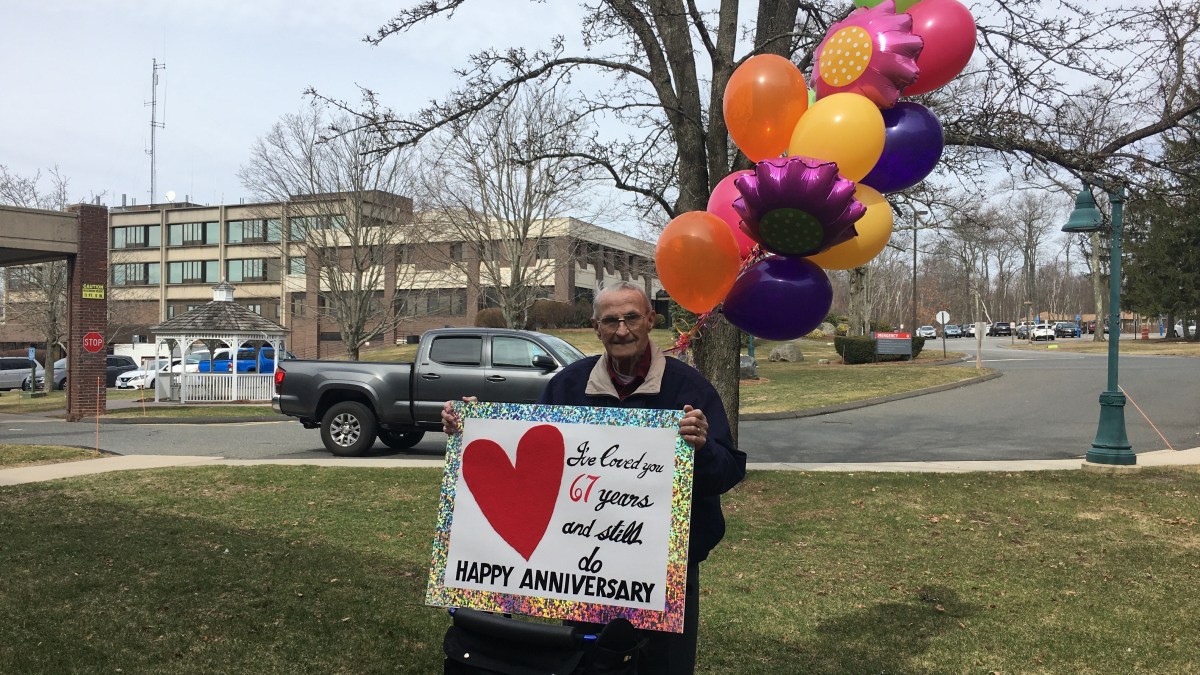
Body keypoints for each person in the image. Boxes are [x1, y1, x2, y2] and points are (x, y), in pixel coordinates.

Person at [442, 280, 746, 674]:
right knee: (588, 664)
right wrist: (473, 429)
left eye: (632, 318)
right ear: (596, 327)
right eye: (611, 321)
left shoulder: (689, 389)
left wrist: (702, 449)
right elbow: (531, 460)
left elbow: (727, 473)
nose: (622, 330)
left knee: (663, 666)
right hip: (581, 567)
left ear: (651, 320)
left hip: (664, 568)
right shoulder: (568, 385)